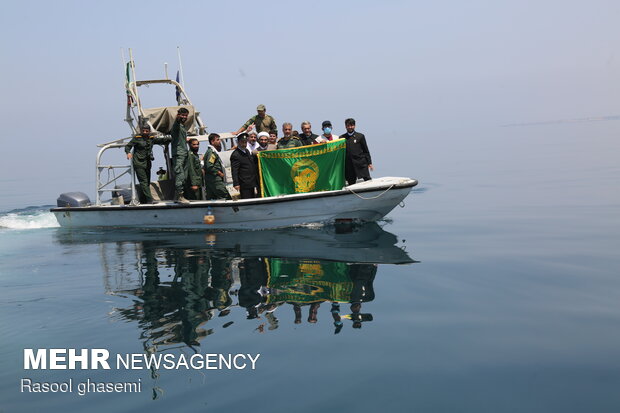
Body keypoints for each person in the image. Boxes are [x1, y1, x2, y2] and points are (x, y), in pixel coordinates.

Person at [125, 124, 170, 204]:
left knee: (147, 182)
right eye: (143, 131)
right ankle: (150, 200)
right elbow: (128, 146)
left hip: (147, 163)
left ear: (149, 131)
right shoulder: (137, 138)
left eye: (147, 131)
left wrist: (171, 138)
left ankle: (144, 199)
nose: (145, 132)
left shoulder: (151, 139)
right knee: (144, 181)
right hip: (139, 162)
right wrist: (128, 153)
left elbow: (161, 141)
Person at [343, 118, 373, 185]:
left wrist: (369, 163)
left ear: (355, 126)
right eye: (348, 125)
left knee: (368, 180)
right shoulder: (342, 138)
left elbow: (366, 150)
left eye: (352, 125)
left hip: (361, 163)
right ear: (345, 126)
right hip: (349, 165)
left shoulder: (360, 136)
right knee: (351, 183)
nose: (350, 127)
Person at [203, 133, 232, 200]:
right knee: (225, 195)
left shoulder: (211, 152)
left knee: (212, 198)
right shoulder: (212, 152)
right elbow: (209, 166)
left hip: (211, 179)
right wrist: (219, 173)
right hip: (215, 179)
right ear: (212, 142)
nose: (219, 142)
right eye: (218, 140)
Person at [171, 107, 191, 203]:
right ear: (178, 115)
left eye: (186, 116)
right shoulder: (177, 125)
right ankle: (180, 196)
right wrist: (178, 117)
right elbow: (177, 121)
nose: (184, 117)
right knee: (180, 175)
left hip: (184, 153)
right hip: (179, 154)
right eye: (182, 115)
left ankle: (176, 196)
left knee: (185, 176)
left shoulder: (182, 127)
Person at [230, 133, 259, 199]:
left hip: (251, 181)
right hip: (244, 182)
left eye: (245, 142)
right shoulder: (236, 155)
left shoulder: (247, 151)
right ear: (238, 142)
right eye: (242, 141)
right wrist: (236, 184)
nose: (244, 143)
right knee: (247, 199)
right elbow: (234, 170)